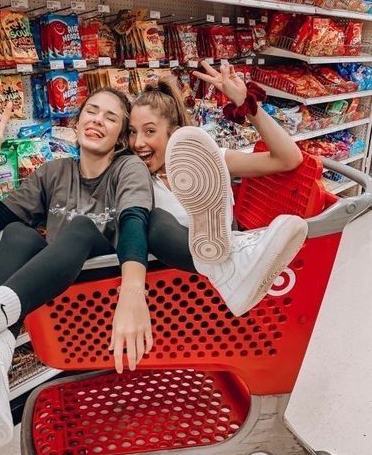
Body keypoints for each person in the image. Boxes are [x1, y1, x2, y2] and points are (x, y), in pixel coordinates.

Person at [0, 88, 154, 450]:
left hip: (104, 295)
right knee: (17, 233)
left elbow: (134, 222)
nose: (97, 119)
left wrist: (132, 293)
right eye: (91, 111)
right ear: (77, 121)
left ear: (122, 137)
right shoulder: (55, 172)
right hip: (53, 295)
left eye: (111, 117)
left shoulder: (128, 168)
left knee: (81, 226)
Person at [128, 60, 308, 316]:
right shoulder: (135, 178)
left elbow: (288, 159)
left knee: (207, 225)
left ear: (174, 134)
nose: (138, 142)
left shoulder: (206, 159)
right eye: (132, 132)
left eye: (149, 131)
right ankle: (232, 264)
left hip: (214, 296)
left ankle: (233, 255)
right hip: (176, 294)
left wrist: (248, 105)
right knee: (155, 222)